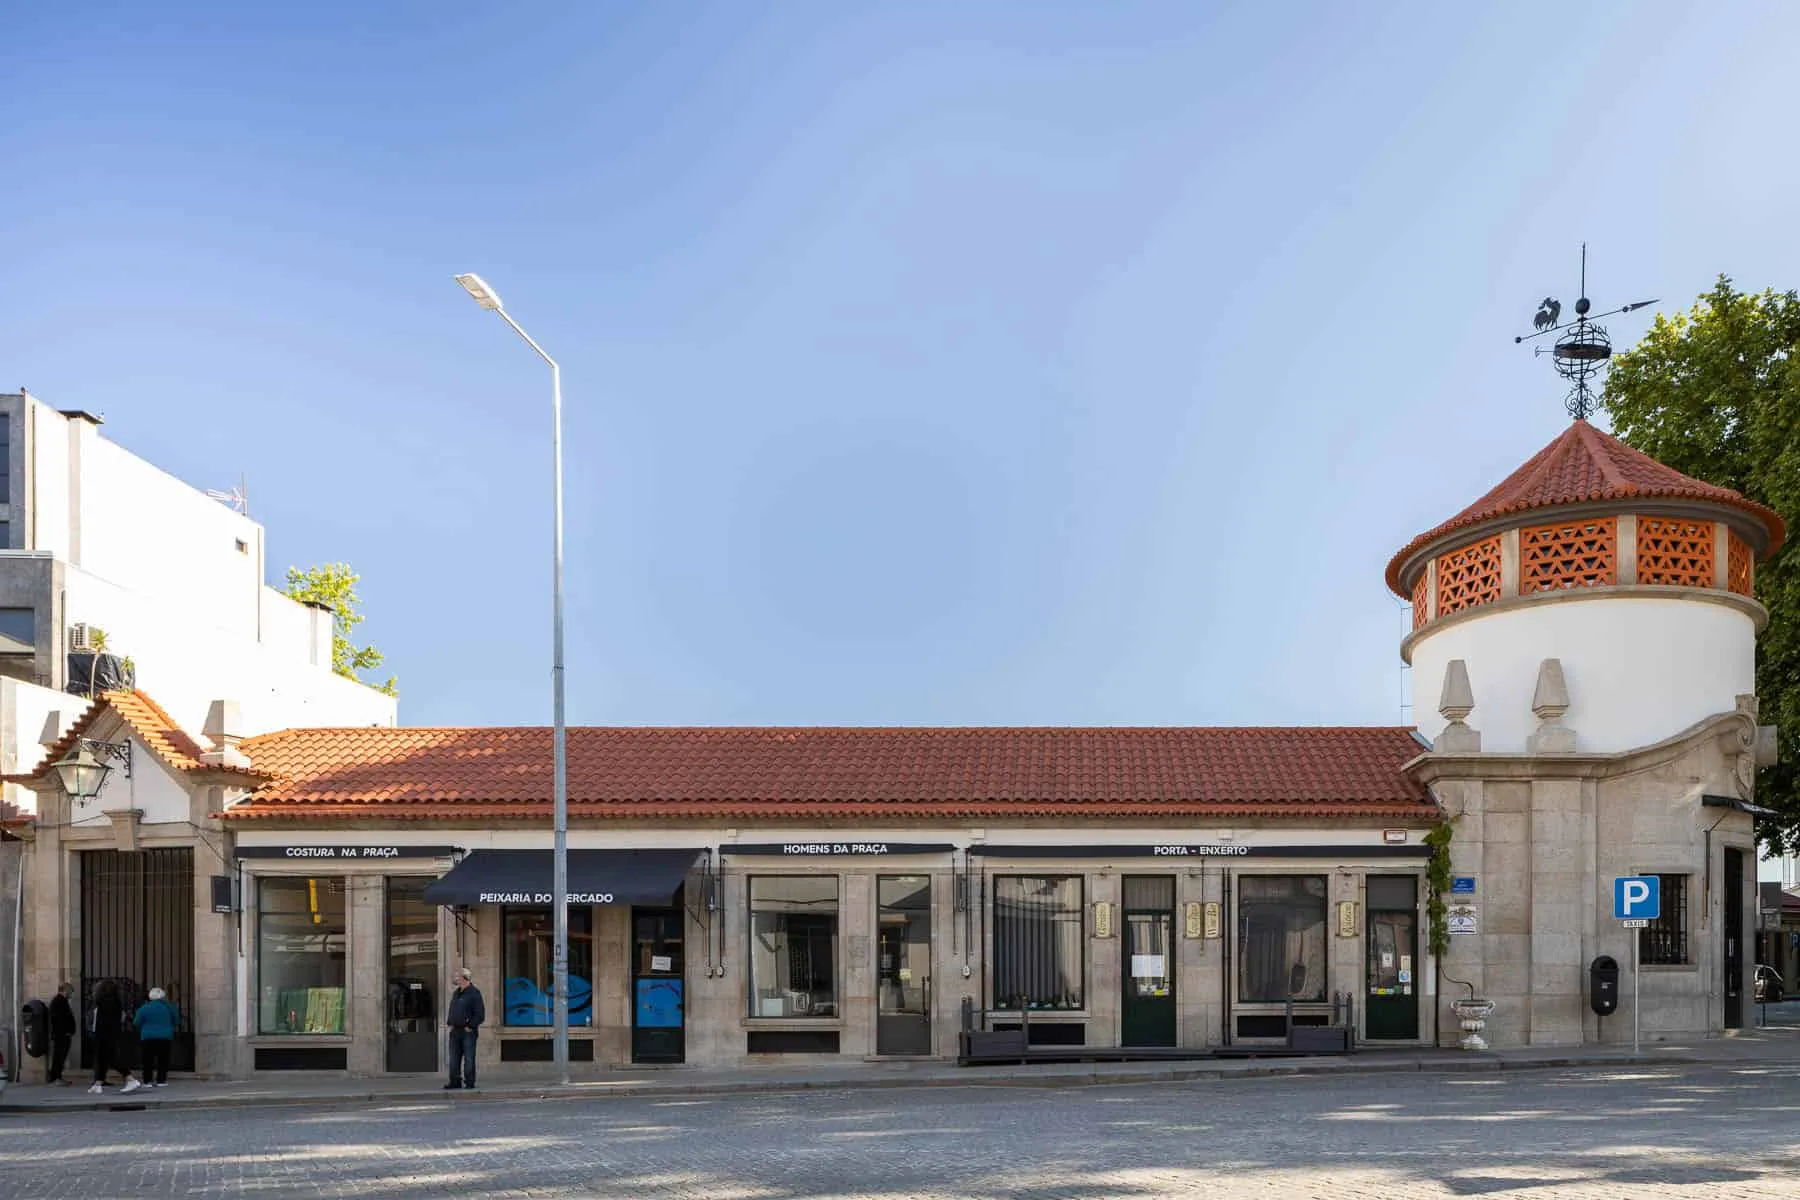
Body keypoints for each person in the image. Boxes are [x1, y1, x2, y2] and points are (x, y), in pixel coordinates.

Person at [88, 980, 142, 1095]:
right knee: (103, 1059)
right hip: (109, 1034)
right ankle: (98, 1084)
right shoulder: (115, 1002)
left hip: (105, 1035)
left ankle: (130, 1078)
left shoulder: (105, 1002)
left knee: (111, 1059)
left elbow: (103, 1022)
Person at [444, 967, 485, 1090]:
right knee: (453, 1059)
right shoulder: (456, 993)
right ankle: (455, 1081)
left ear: (464, 978)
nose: (455, 978)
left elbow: (480, 1014)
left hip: (468, 1032)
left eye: (457, 976)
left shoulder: (474, 993)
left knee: (469, 1058)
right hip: (455, 1031)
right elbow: (452, 1010)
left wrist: (470, 1026)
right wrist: (450, 1023)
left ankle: (469, 1082)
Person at [134, 987, 179, 1088]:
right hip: (165, 1036)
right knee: (163, 1059)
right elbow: (176, 1020)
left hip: (147, 1037)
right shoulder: (169, 1007)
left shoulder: (144, 1008)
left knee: (147, 1060)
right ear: (163, 996)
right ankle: (161, 1081)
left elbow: (136, 1022)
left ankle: (147, 1081)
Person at [47, 982, 76, 1085]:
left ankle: (57, 1077)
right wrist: (65, 1032)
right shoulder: (59, 1001)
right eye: (70, 991)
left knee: (61, 1057)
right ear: (65, 990)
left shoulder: (62, 1001)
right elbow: (59, 1019)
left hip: (63, 1035)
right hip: (61, 1035)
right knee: (59, 1057)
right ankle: (56, 1077)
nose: (71, 993)